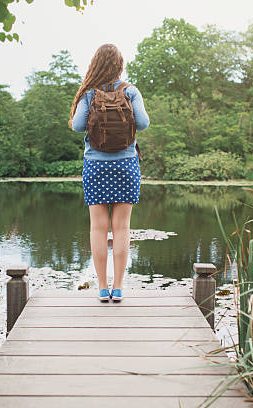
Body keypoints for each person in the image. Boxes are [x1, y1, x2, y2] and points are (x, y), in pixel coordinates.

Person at [69, 43, 150, 303]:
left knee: (98, 228)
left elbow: (78, 126)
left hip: (95, 165)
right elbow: (145, 123)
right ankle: (118, 288)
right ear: (119, 65)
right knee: (122, 229)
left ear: (96, 64)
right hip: (126, 165)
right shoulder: (131, 91)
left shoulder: (89, 94)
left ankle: (102, 288)